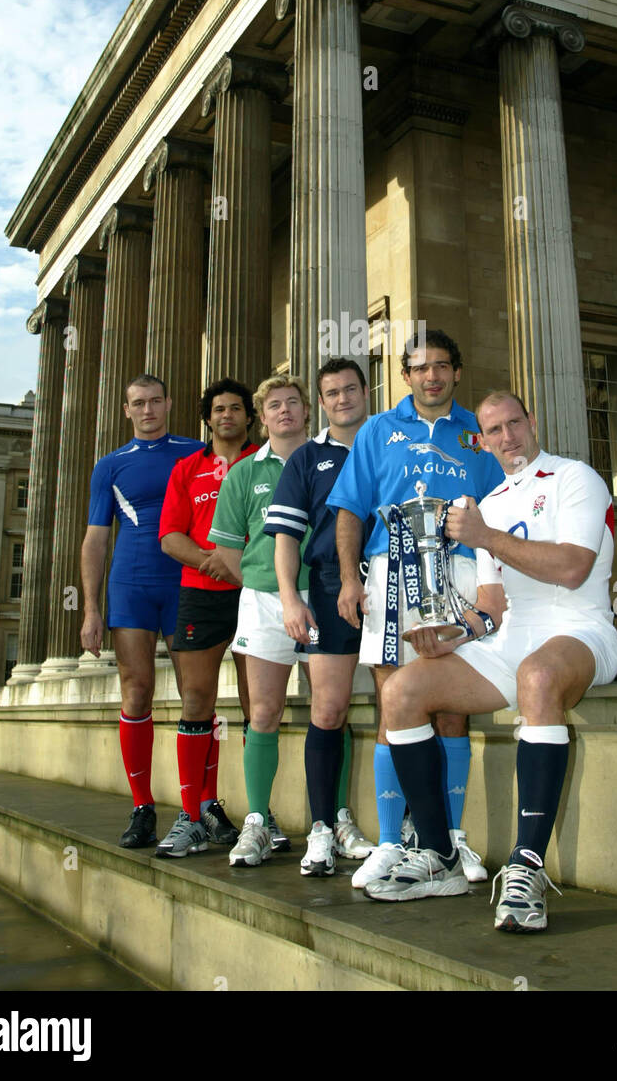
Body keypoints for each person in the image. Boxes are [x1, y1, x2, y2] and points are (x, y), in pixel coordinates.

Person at [365, 390, 617, 933]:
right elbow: (491, 607)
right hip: (510, 641)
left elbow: (574, 568)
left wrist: (484, 536)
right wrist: (455, 634)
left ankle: (526, 867)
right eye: (495, 431)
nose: (508, 438)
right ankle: (439, 856)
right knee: (401, 692)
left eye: (515, 424)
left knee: (540, 675)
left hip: (579, 629)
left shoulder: (576, 478)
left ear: (533, 421)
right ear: (481, 441)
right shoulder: (492, 501)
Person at [330, 330, 503, 889]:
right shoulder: (378, 430)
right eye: (421, 367)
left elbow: (503, 509)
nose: (432, 376)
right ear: (405, 375)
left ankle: (447, 840)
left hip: (461, 574)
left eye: (442, 367)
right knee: (392, 703)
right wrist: (349, 581)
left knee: (453, 709)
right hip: (388, 576)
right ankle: (388, 841)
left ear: (457, 371)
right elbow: (350, 510)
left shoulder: (480, 433)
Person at [80, 374, 203, 848]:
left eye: (156, 401)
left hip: (185, 583)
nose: (148, 409)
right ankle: (142, 807)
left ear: (169, 403)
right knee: (136, 690)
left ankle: (201, 806)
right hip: (130, 584)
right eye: (139, 403)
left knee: (198, 693)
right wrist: (91, 608)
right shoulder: (110, 465)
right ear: (126, 410)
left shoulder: (195, 452)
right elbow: (95, 539)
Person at [264, 357, 376, 876]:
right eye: (331, 393)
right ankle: (323, 828)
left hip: (397, 581)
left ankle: (412, 834)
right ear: (322, 403)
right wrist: (291, 598)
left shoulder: (390, 443)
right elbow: (286, 537)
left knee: (403, 705)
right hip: (332, 585)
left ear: (365, 390)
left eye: (350, 389)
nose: (342, 399)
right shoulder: (307, 459)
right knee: (328, 711)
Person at [206, 374, 311, 867]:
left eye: (293, 402)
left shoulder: (334, 464)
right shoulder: (244, 473)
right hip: (265, 603)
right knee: (263, 714)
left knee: (330, 712)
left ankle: (333, 819)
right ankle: (258, 821)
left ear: (306, 411)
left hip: (325, 599)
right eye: (274, 405)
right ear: (261, 417)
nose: (284, 411)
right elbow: (226, 549)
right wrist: (259, 577)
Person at [154, 377, 257, 857]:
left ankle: (259, 816)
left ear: (248, 416)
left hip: (256, 593)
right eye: (219, 409)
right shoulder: (186, 469)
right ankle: (192, 814)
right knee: (196, 699)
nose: (227, 415)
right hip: (200, 593)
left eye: (236, 408)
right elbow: (170, 537)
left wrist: (240, 566)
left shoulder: (267, 462)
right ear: (208, 417)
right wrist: (211, 562)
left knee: (259, 707)